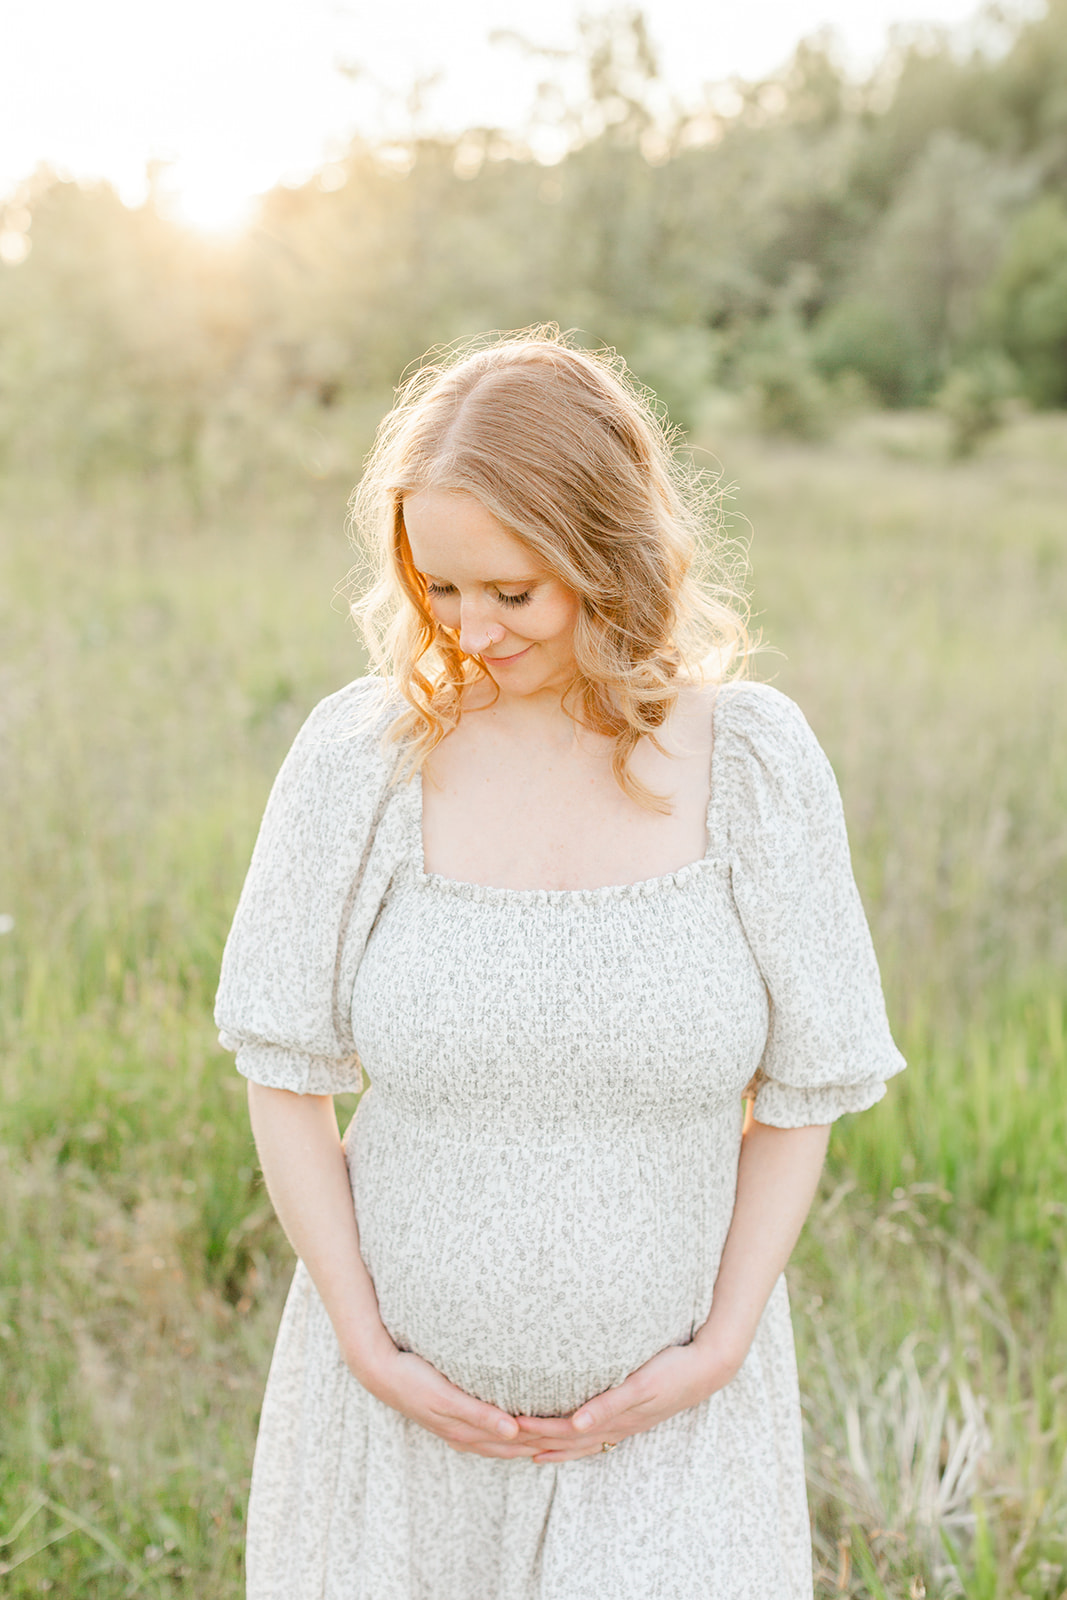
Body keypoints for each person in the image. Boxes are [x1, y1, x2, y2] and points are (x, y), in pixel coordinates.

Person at [215, 329, 905, 1600]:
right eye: (439, 589)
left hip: (674, 1440)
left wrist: (719, 1345)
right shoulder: (360, 759)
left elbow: (799, 1099)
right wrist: (369, 1345)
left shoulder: (749, 762)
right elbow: (284, 1074)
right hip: (392, 1438)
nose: (469, 630)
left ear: (606, 555)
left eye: (512, 591)